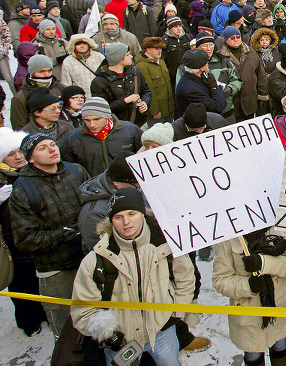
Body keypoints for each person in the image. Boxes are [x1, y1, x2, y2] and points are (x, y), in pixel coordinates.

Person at [71, 188, 194, 366]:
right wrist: (108, 334)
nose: (126, 222)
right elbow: (82, 310)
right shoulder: (96, 260)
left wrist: (174, 315)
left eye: (132, 213)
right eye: (118, 217)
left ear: (143, 213)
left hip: (162, 334)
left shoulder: (166, 245)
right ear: (111, 220)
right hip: (120, 344)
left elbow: (186, 279)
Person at [7, 133, 89, 338]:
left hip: (87, 259)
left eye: (52, 144)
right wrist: (61, 235)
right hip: (56, 270)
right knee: (65, 329)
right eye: (42, 148)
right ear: (30, 158)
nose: (52, 149)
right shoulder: (23, 190)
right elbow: (24, 239)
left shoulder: (76, 171)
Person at [212, 227, 286, 366]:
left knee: (280, 346)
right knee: (253, 356)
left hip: (279, 310)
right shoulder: (228, 234)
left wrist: (263, 263)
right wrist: (249, 286)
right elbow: (220, 280)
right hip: (248, 319)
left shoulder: (278, 222)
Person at [0, 128, 47, 337]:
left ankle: (44, 312)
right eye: (10, 154)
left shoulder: (32, 170)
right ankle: (28, 321)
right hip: (13, 244)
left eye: (19, 151)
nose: (18, 157)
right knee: (21, 285)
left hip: (35, 237)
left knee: (39, 280)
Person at [59, 97, 143, 178]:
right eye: (87, 120)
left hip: (128, 186)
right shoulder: (73, 138)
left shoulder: (130, 130)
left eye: (97, 119)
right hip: (93, 188)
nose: (92, 124)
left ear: (107, 116)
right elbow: (69, 169)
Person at [90, 42, 152, 127]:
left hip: (140, 123)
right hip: (117, 127)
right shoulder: (99, 82)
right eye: (127, 55)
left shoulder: (135, 72)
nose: (131, 56)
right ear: (118, 58)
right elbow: (101, 109)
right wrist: (124, 101)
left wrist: (145, 102)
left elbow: (146, 91)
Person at [218, 25, 269, 121]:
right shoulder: (220, 56)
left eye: (238, 37)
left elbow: (260, 75)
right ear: (226, 40)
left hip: (250, 101)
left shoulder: (251, 52)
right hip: (231, 105)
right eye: (232, 38)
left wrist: (263, 95)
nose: (236, 40)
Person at [11, 54, 63, 130]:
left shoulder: (60, 88)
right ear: (32, 73)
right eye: (42, 71)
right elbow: (19, 126)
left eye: (49, 71)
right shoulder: (21, 97)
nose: (46, 75)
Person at [174, 48, 228, 118]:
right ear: (201, 68)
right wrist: (214, 87)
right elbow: (217, 107)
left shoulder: (195, 77)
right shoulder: (191, 90)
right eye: (206, 63)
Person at [135, 37, 175, 125]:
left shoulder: (161, 61)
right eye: (156, 48)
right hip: (157, 113)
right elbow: (148, 89)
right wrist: (154, 111)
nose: (159, 51)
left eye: (160, 48)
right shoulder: (142, 66)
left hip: (168, 108)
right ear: (148, 50)